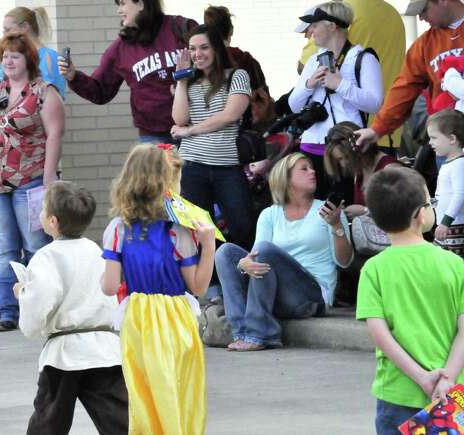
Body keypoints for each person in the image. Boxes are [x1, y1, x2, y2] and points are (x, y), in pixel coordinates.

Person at [100, 144, 215, 435]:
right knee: (179, 392)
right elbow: (199, 286)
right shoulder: (178, 232)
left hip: (138, 320)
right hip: (176, 319)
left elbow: (109, 286)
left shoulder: (117, 229)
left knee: (145, 395)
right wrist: (208, 244)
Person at [0, 33, 65, 332]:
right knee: (5, 247)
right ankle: (8, 311)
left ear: (28, 60)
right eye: (5, 55)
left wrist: (48, 180)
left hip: (31, 177)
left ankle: (38, 305)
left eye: (15, 56)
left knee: (35, 244)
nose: (8, 60)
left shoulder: (44, 92)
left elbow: (55, 135)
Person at [355, 167, 464, 434]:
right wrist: (447, 376)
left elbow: (380, 335)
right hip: (452, 393)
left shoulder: (374, 269)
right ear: (420, 214)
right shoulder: (454, 264)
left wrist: (421, 378)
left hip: (398, 390)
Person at [15, 181, 128, 435]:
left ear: (52, 221)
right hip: (103, 349)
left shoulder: (47, 256)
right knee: (120, 422)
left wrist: (23, 293)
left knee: (48, 424)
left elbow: (40, 300)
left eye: (43, 209)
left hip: (63, 356)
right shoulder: (95, 251)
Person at [215, 153, 353, 351]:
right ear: (286, 178)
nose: (313, 172)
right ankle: (240, 331)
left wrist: (337, 225)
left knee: (264, 250)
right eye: (304, 169)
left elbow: (344, 262)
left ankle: (258, 334)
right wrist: (242, 264)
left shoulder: (327, 212)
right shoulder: (270, 214)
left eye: (312, 168)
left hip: (311, 295)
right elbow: (254, 259)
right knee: (226, 253)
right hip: (275, 292)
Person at [58, 0, 197, 143]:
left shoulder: (181, 27)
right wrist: (74, 77)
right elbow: (101, 91)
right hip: (154, 135)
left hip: (195, 128)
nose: (119, 11)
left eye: (123, 4)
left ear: (140, 4)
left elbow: (210, 62)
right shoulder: (121, 47)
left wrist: (189, 82)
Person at [296, 0, 406, 151]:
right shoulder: (393, 13)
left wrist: (333, 82)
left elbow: (303, 67)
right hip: (387, 127)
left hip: (348, 135)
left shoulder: (343, 14)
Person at [357, 0, 464, 150]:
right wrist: (377, 129)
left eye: (424, 10)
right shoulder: (424, 44)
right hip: (448, 142)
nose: (421, 18)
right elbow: (404, 88)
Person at [171, 25, 255, 249]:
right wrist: (181, 80)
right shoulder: (189, 82)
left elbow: (230, 115)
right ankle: (210, 281)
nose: (198, 54)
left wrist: (190, 130)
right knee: (199, 232)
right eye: (192, 49)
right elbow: (179, 119)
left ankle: (239, 275)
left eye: (204, 47)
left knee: (243, 226)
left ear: (216, 49)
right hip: (192, 165)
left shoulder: (237, 76)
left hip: (226, 165)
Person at [289, 2, 383, 198]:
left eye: (315, 24)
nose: (311, 30)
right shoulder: (314, 61)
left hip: (348, 150)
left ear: (332, 26)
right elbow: (294, 105)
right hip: (311, 148)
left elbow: (375, 103)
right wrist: (309, 84)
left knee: (346, 205)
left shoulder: (363, 58)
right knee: (316, 211)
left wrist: (340, 84)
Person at [203, 5, 274, 130]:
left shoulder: (202, 62)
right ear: (231, 31)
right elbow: (262, 95)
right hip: (244, 130)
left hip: (208, 131)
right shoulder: (247, 60)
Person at [323, 122, 401, 215]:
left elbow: (402, 210)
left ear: (360, 147)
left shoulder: (390, 169)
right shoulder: (359, 171)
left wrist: (366, 211)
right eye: (339, 160)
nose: (343, 164)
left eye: (346, 157)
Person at [0, 6, 67, 98]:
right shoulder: (9, 56)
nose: (4, 35)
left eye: (8, 30)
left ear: (25, 27)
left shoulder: (51, 57)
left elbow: (58, 94)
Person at [426, 109, 464, 257]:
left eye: (434, 138)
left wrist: (446, 222)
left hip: (455, 227)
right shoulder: (451, 163)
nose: (430, 143)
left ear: (452, 139)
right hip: (446, 226)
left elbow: (460, 195)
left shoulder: (459, 164)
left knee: (455, 265)